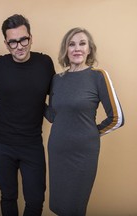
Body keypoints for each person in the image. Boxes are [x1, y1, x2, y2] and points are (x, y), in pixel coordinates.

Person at [45, 27, 124, 216]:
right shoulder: (57, 79)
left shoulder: (98, 76)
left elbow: (117, 117)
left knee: (74, 207)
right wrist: (33, 100)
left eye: (82, 43)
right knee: (59, 206)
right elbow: (54, 116)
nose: (77, 48)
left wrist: (90, 134)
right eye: (71, 44)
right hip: (57, 150)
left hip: (83, 154)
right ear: (65, 49)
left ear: (89, 49)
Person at [0, 14, 55, 216]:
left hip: (32, 143)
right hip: (2, 143)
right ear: (6, 43)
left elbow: (56, 98)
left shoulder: (45, 63)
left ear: (31, 37)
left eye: (23, 39)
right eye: (13, 42)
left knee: (35, 200)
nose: (19, 46)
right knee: (8, 196)